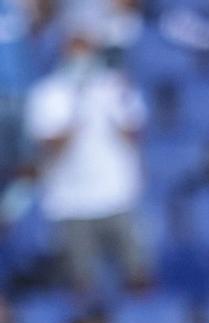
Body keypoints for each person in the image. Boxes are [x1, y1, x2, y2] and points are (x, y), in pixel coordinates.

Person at [25, 20, 149, 294]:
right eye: (74, 48)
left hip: (117, 194)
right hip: (70, 200)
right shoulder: (47, 93)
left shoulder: (115, 86)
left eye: (85, 49)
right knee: (82, 280)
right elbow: (46, 147)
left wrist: (115, 103)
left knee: (138, 273)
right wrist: (75, 115)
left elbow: (135, 135)